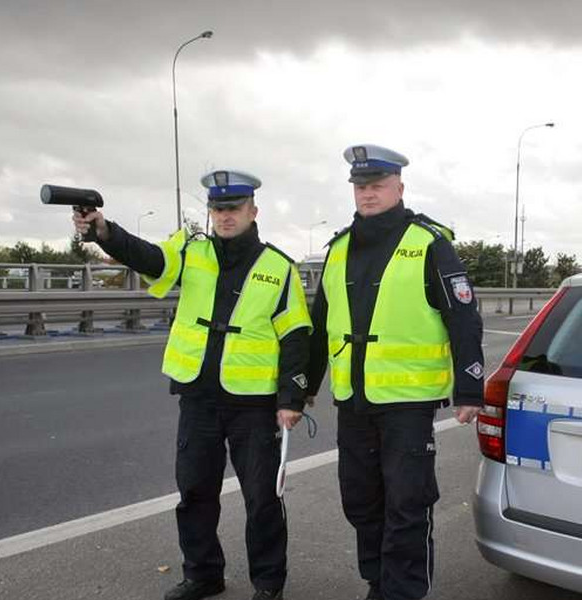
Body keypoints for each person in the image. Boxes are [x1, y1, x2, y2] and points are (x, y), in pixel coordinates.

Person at [73, 170, 312, 600]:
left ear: (252, 211)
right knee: (195, 493)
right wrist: (104, 231)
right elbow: (147, 257)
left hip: (253, 404)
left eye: (233, 208)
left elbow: (296, 336)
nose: (224, 216)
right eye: (218, 209)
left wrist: (291, 398)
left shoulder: (278, 267)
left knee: (262, 499)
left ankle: (268, 583)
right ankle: (203, 575)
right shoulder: (191, 251)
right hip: (199, 398)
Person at [305, 144, 485, 600]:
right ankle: (377, 582)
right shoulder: (340, 248)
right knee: (361, 501)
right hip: (354, 401)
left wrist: (470, 389)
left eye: (377, 186)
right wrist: (303, 388)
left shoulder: (428, 244)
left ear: (399, 188)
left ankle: (403, 592)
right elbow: (320, 324)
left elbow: (463, 317)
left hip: (408, 405)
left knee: (406, 504)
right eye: (360, 186)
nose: (368, 194)